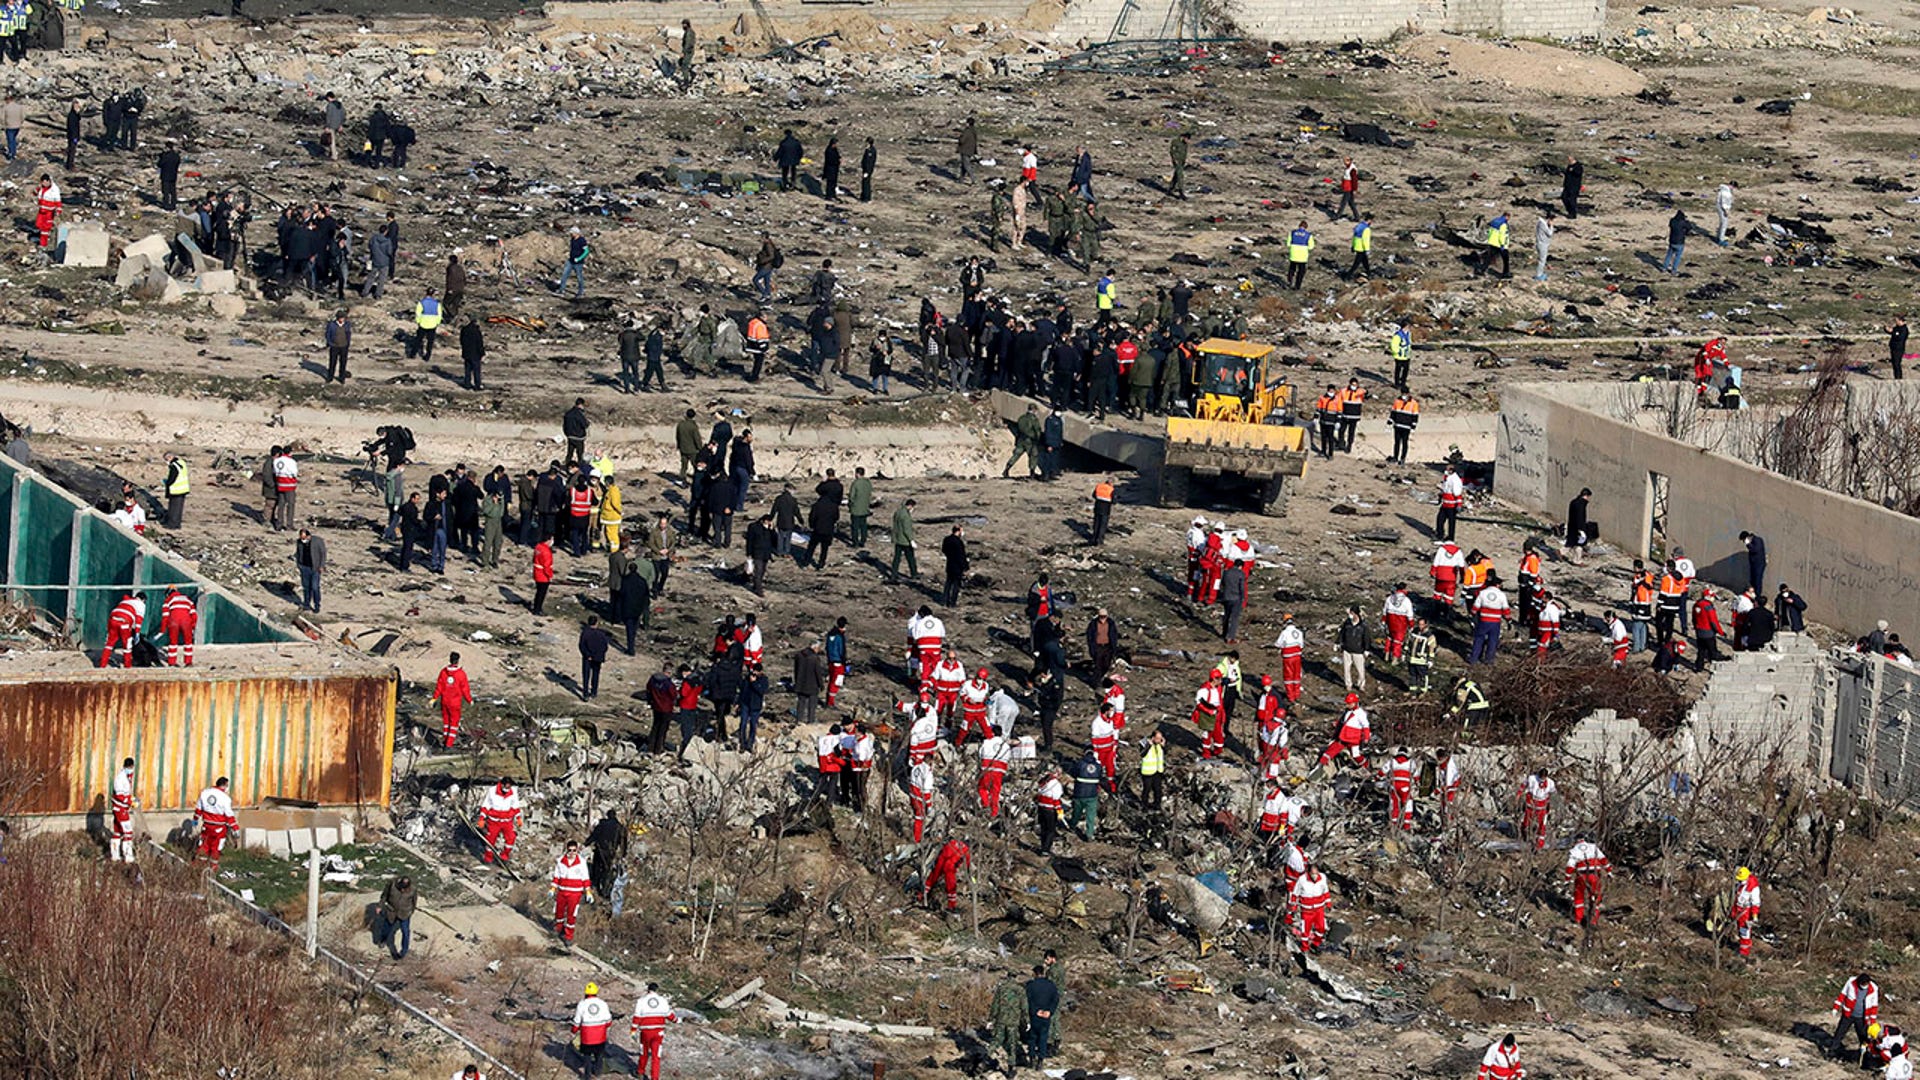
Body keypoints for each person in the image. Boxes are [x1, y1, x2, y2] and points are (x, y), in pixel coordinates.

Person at [630, 983, 679, 1080]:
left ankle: (640, 1072)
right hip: (658, 1032)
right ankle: (655, 1077)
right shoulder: (662, 1001)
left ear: (648, 990)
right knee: (656, 1056)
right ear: (657, 990)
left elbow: (637, 1017)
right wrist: (677, 1020)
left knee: (644, 1052)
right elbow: (669, 1015)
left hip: (646, 1031)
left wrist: (633, 1030)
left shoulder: (641, 1001)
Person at [1565, 831, 1611, 927]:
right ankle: (1593, 920)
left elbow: (1570, 866)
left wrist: (1567, 879)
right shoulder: (1593, 847)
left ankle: (1578, 918)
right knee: (1595, 897)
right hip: (1594, 875)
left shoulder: (1574, 850)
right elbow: (1603, 860)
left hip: (1581, 876)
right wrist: (1609, 871)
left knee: (1579, 896)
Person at [569, 982, 613, 1075]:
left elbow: (577, 1021)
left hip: (587, 1037)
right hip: (600, 1036)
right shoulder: (603, 1004)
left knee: (587, 1056)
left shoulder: (582, 1004)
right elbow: (609, 1021)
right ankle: (597, 1072)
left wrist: (573, 1030)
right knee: (599, 1054)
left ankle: (587, 1075)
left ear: (586, 993)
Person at [1835, 973, 1883, 1058]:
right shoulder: (1851, 982)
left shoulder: (1873, 989)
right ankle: (1832, 1051)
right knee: (1839, 1033)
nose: (1864, 986)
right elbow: (1843, 994)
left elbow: (1874, 1005)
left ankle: (1864, 1055)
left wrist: (1872, 1021)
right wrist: (1836, 1007)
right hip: (1848, 1014)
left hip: (1862, 1018)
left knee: (1863, 1037)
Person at [552, 841, 591, 944]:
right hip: (562, 890)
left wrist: (588, 892)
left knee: (571, 914)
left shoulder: (581, 862)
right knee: (559, 912)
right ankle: (558, 929)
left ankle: (568, 936)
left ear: (577, 850)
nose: (572, 853)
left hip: (575, 893)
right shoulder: (561, 861)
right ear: (567, 850)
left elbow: (585, 878)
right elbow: (557, 876)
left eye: (574, 850)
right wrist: (552, 889)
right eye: (570, 850)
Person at [194, 777, 236, 870]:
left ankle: (199, 866)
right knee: (216, 848)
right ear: (224, 785)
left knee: (204, 845)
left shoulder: (205, 793)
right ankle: (213, 868)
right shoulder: (225, 798)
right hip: (219, 827)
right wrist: (235, 827)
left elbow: (198, 809)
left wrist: (195, 819)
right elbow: (229, 814)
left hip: (206, 825)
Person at [1024, 964, 1059, 1070]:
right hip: (1046, 1015)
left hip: (1035, 1015)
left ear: (1035, 974)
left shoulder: (1031, 985)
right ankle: (1040, 1060)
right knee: (1043, 1038)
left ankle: (1031, 1059)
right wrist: (1050, 1011)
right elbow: (1056, 999)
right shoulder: (1051, 985)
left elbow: (1028, 1001)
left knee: (1032, 1038)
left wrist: (1035, 1011)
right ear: (1043, 973)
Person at [434, 652, 473, 749]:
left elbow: (439, 686)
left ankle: (445, 740)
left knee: (446, 723)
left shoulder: (443, 672)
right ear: (458, 660)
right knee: (454, 723)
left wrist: (434, 698)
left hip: (444, 701)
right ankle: (449, 744)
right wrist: (469, 700)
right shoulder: (461, 674)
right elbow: (465, 689)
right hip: (455, 702)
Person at [922, 837, 970, 911]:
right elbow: (967, 865)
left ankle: (922, 895)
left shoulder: (953, 842)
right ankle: (951, 906)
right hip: (950, 867)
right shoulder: (966, 851)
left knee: (932, 878)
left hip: (941, 860)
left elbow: (943, 849)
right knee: (951, 887)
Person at [108, 757, 139, 864]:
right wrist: (130, 802)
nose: (132, 769)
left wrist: (132, 798)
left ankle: (115, 855)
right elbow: (120, 796)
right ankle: (128, 856)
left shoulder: (127, 777)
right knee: (128, 832)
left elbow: (127, 793)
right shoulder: (120, 779)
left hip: (122, 808)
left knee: (117, 832)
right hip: (120, 809)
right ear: (128, 767)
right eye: (131, 767)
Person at [378, 875, 416, 959]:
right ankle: (383, 940)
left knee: (406, 932)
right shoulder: (392, 885)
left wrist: (411, 911)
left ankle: (403, 952)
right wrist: (380, 906)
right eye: (401, 888)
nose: (403, 890)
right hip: (392, 911)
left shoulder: (413, 889)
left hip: (405, 913)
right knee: (387, 928)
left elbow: (414, 902)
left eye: (405, 889)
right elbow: (384, 896)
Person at [1730, 865, 1760, 960]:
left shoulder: (1753, 888)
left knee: (1744, 932)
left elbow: (1755, 903)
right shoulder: (1742, 884)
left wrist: (1754, 916)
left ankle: (1744, 953)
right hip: (1738, 908)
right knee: (1740, 930)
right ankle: (1742, 947)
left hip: (1746, 912)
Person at [577, 616, 610, 700]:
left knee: (586, 676)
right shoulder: (601, 634)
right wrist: (599, 655)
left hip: (587, 658)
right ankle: (594, 692)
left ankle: (585, 694)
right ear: (596, 623)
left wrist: (588, 655)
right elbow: (605, 647)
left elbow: (582, 646)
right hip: (598, 658)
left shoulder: (585, 633)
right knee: (595, 675)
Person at [294, 528, 326, 613]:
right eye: (301, 538)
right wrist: (299, 565)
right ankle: (307, 604)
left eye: (304, 538)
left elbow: (323, 554)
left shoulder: (318, 541)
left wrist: (321, 566)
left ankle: (317, 605)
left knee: (315, 587)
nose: (302, 540)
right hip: (304, 567)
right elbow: (298, 553)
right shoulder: (299, 542)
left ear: (308, 536)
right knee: (306, 587)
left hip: (315, 568)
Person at [890, 497, 918, 580]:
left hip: (897, 539)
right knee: (910, 558)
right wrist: (911, 540)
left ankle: (893, 574)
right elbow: (907, 529)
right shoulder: (906, 516)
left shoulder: (897, 512)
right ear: (910, 506)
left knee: (897, 558)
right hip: (905, 541)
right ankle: (914, 574)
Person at [557, 226, 589, 298]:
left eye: (572, 233)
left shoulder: (582, 240)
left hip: (578, 263)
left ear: (576, 233)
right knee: (564, 275)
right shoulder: (572, 240)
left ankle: (581, 292)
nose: (570, 234)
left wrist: (579, 258)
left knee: (579, 277)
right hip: (570, 261)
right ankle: (561, 290)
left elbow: (586, 251)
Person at [941, 524, 968, 607]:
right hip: (957, 567)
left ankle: (944, 601)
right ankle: (952, 603)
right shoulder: (958, 542)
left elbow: (944, 550)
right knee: (956, 586)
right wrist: (965, 566)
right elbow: (961, 556)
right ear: (958, 531)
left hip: (949, 564)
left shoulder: (947, 539)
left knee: (948, 584)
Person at [1565, 487, 1591, 563]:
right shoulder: (1581, 504)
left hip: (1572, 525)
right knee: (1579, 543)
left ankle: (1561, 552)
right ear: (1586, 495)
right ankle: (1577, 560)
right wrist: (1581, 528)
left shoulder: (1574, 502)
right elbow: (1580, 517)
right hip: (1578, 527)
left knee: (1572, 542)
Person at [460, 316, 485, 390]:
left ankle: (467, 384)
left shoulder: (464, 330)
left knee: (467, 370)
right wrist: (482, 353)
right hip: (475, 354)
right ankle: (477, 385)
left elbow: (461, 341)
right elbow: (479, 343)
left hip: (466, 353)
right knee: (476, 370)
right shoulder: (476, 331)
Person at [1286, 221, 1314, 289]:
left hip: (1293, 254)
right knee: (1301, 272)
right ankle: (1297, 285)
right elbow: (1311, 247)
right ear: (1306, 227)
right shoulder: (1308, 235)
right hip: (1302, 256)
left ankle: (1290, 280)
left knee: (1292, 268)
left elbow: (1288, 244)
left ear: (1299, 226)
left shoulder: (1292, 233)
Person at [563, 397, 589, 468]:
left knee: (569, 453)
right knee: (580, 454)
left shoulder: (568, 413)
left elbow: (564, 426)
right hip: (579, 437)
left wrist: (567, 434)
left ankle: (567, 467)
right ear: (580, 405)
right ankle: (580, 467)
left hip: (570, 436)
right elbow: (585, 424)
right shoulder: (579, 414)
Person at [1662, 208, 1691, 274]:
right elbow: (1689, 227)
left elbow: (1670, 225)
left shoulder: (1672, 221)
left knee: (1669, 255)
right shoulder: (1683, 223)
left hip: (1672, 241)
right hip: (1680, 242)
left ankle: (1664, 268)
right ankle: (1674, 270)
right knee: (1677, 257)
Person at [157, 139, 181, 211]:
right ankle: (173, 204)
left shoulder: (166, 156)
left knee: (166, 191)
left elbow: (159, 164)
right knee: (173, 191)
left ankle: (166, 205)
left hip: (165, 176)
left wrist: (162, 156)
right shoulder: (176, 156)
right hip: (173, 176)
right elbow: (178, 163)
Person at [1336, 155, 1359, 220]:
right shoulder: (1348, 167)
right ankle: (1357, 217)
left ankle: (1337, 216)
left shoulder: (1352, 169)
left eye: (1345, 160)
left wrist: (1354, 189)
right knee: (1351, 203)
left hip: (1348, 188)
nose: (1344, 162)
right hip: (1347, 187)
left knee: (1343, 203)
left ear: (1349, 161)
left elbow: (1354, 180)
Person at [1533, 211, 1554, 281]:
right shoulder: (1543, 224)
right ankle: (1539, 275)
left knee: (1542, 260)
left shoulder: (1540, 223)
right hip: (1542, 244)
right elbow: (1550, 233)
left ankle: (1540, 273)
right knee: (1542, 260)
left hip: (1541, 243)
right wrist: (1551, 225)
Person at [955, 115, 977, 181]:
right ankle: (961, 179)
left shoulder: (967, 131)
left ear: (968, 123)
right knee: (963, 165)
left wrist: (959, 138)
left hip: (965, 150)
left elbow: (962, 140)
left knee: (966, 165)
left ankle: (973, 179)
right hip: (971, 150)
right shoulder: (973, 131)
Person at [1890, 315, 1908, 381]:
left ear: (1901, 321)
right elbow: (1892, 332)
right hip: (1893, 347)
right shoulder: (1897, 328)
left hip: (1899, 348)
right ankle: (1896, 377)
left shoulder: (1904, 329)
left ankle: (1899, 377)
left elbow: (1900, 337)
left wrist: (1893, 332)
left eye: (1897, 321)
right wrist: (1887, 329)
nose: (1896, 322)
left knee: (1897, 363)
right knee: (1894, 363)